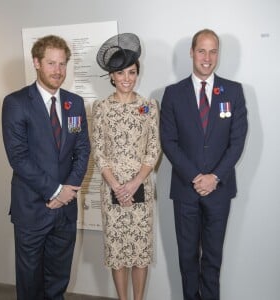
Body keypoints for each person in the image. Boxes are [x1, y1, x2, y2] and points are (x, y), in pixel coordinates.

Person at [160, 29, 248, 300]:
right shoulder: (173, 94)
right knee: (187, 258)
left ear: (218, 54)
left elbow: (237, 141)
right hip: (186, 190)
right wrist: (197, 176)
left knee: (212, 258)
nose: (207, 57)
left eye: (213, 51)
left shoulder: (233, 91)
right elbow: (169, 141)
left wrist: (214, 177)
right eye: (202, 50)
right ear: (192, 52)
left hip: (219, 190)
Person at [2, 35, 90, 300]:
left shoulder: (74, 104)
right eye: (51, 63)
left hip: (65, 211)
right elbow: (18, 158)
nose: (58, 71)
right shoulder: (16, 103)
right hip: (32, 209)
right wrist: (55, 191)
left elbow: (82, 150)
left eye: (62, 64)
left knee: (58, 279)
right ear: (36, 63)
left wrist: (67, 193)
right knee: (30, 283)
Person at [92, 33, 161, 300]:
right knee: (118, 253)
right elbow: (98, 152)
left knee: (140, 254)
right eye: (120, 73)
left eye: (132, 72)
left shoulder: (148, 107)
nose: (126, 78)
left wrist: (133, 184)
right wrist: (117, 186)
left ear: (138, 73)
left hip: (141, 187)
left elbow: (153, 149)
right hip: (112, 190)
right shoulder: (101, 108)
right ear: (111, 76)